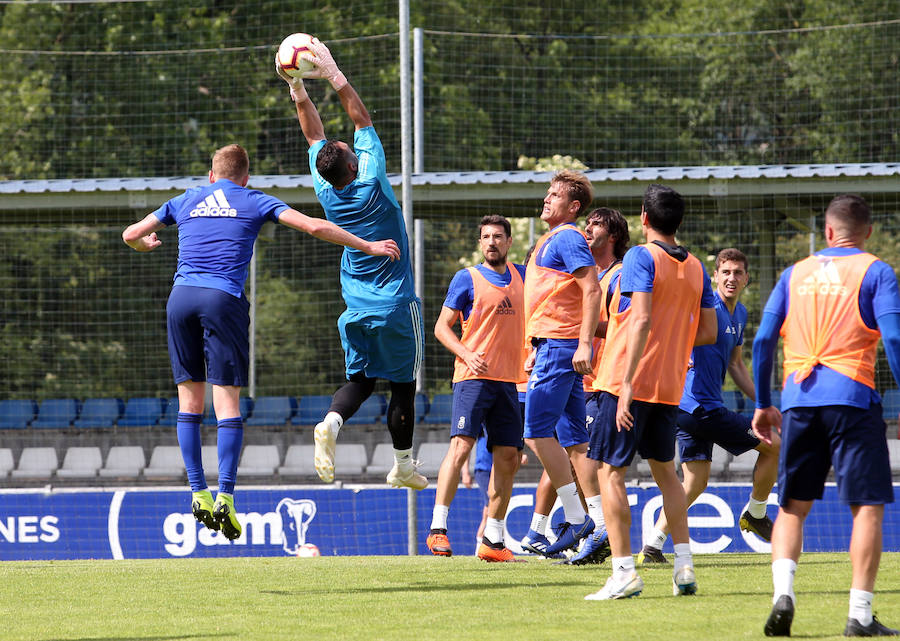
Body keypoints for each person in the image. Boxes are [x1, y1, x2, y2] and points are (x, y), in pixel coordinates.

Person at [122, 143, 400, 540]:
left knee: (189, 402)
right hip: (223, 300)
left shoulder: (186, 199)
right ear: (245, 177)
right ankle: (225, 497)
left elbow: (130, 233)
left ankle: (197, 491)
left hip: (180, 298)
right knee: (227, 404)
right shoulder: (254, 199)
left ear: (211, 176)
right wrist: (368, 245)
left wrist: (142, 245)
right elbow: (313, 226)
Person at [275, 38, 426, 490]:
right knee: (403, 387)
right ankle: (402, 465)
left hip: (355, 308)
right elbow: (360, 117)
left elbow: (313, 135)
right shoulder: (372, 178)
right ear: (352, 161)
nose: (348, 142)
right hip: (397, 305)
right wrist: (334, 74)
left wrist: (298, 87)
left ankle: (332, 423)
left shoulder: (327, 190)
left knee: (360, 382)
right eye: (348, 147)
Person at [752, 194, 900, 637]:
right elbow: (893, 338)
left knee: (792, 508)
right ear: (867, 232)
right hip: (853, 400)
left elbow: (762, 341)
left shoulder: (793, 273)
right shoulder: (876, 270)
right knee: (867, 508)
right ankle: (858, 614)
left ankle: (784, 594)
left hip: (798, 400)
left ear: (828, 232)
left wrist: (762, 402)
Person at [584, 184, 717, 601]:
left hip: (628, 381)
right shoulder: (697, 267)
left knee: (610, 472)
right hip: (669, 386)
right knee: (666, 474)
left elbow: (639, 320)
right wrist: (673, 342)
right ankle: (684, 567)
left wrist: (625, 385)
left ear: (644, 217)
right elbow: (709, 332)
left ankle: (624, 572)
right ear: (678, 221)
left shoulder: (641, 256)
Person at [638, 248, 781, 565]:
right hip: (698, 407)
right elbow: (668, 330)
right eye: (725, 272)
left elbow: (736, 365)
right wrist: (680, 352)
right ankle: (757, 513)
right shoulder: (703, 308)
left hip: (693, 410)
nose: (731, 278)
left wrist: (764, 403)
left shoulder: (740, 314)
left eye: (738, 273)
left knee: (696, 482)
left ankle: (652, 546)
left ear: (746, 279)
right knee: (773, 445)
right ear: (715, 276)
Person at [427, 215, 527, 562]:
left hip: (508, 381)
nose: (491, 242)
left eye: (498, 236)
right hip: (472, 378)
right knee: (461, 446)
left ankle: (493, 541)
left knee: (509, 458)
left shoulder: (523, 277)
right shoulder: (466, 278)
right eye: (485, 236)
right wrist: (467, 354)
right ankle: (438, 529)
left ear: (509, 242)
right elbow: (442, 327)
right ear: (479, 242)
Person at [522, 171, 604, 558]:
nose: (546, 199)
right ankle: (600, 526)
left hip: (562, 346)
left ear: (573, 207)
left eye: (555, 195)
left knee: (536, 434)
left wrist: (583, 343)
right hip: (553, 346)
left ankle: (576, 517)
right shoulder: (551, 238)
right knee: (575, 442)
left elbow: (591, 287)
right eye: (547, 193)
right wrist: (534, 345)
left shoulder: (569, 236)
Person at [567, 206, 630, 566]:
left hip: (604, 379)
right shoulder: (586, 273)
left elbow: (623, 325)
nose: (588, 229)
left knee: (593, 461)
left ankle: (602, 532)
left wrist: (583, 331)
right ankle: (591, 532)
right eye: (587, 224)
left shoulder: (619, 276)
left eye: (596, 225)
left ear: (614, 235)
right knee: (574, 460)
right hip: (583, 378)